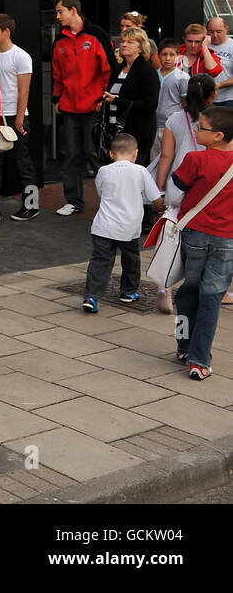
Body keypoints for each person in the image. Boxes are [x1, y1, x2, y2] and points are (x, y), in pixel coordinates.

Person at [170, 105, 233, 380]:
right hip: (227, 239)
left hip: (194, 234)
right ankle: (200, 360)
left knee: (188, 292)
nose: (196, 131)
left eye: (201, 128)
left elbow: (177, 190)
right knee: (212, 298)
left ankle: (184, 345)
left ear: (218, 135)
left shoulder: (195, 159)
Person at [151, 75, 217, 314]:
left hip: (179, 182)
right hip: (210, 182)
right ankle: (213, 287)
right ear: (214, 95)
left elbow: (166, 156)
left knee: (171, 233)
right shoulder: (218, 119)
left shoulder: (175, 118)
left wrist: (159, 189)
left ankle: (164, 288)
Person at [82, 133, 162, 313]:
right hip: (129, 226)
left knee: (100, 262)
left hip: (103, 226)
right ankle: (128, 291)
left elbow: (101, 192)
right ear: (135, 153)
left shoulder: (103, 171)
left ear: (111, 154)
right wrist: (160, 207)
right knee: (131, 259)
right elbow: (155, 197)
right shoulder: (141, 171)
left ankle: (91, 297)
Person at [52, 0, 112, 216]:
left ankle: (110, 200)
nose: (57, 16)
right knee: (71, 155)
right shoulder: (59, 41)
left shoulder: (96, 35)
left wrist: (104, 99)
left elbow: (109, 69)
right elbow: (57, 74)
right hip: (68, 107)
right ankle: (74, 201)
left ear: (73, 10)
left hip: (93, 106)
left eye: (60, 11)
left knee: (95, 153)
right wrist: (56, 99)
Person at [0, 13, 39, 220]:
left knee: (23, 162)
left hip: (16, 117)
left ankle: (32, 206)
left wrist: (19, 118)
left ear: (6, 31)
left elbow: (24, 91)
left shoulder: (22, 56)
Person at [104, 26, 159, 166]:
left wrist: (117, 101)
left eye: (130, 42)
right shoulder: (118, 69)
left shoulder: (147, 70)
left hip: (137, 132)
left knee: (133, 175)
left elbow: (150, 104)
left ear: (141, 48)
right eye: (122, 41)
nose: (124, 45)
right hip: (115, 130)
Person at [155, 38, 190, 158]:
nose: (168, 58)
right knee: (154, 158)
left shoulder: (183, 77)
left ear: (178, 56)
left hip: (172, 125)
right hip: (153, 124)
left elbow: (186, 103)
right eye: (164, 54)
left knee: (171, 157)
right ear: (158, 55)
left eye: (172, 55)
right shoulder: (152, 74)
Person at [208, 16, 233, 108]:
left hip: (228, 99)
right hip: (207, 99)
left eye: (219, 31)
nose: (214, 35)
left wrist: (220, 85)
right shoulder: (204, 45)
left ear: (226, 29)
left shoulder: (231, 46)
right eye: (211, 31)